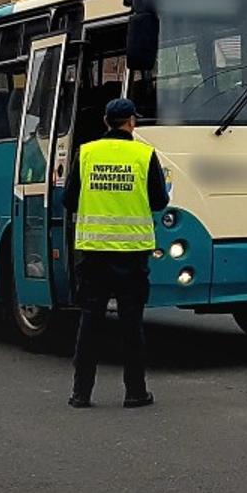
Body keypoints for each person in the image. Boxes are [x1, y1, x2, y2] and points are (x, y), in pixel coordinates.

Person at [64, 98, 168, 409]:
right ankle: (135, 392)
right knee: (131, 324)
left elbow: (69, 200)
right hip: (132, 254)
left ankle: (81, 393)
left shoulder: (86, 153)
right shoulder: (144, 154)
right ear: (131, 122)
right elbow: (160, 200)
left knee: (90, 322)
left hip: (94, 252)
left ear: (107, 121)